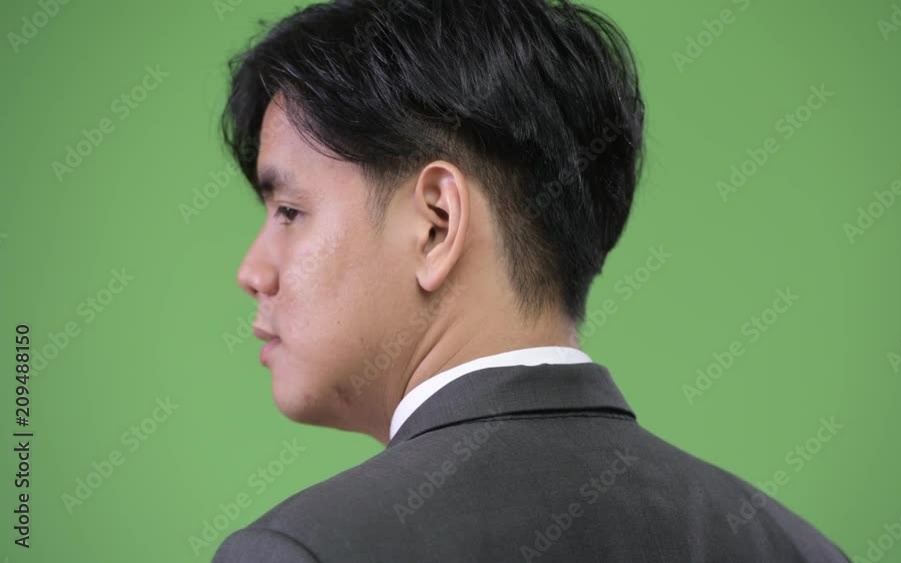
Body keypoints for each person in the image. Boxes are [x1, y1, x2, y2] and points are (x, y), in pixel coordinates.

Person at [215, 0, 849, 560]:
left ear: (436, 224)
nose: (253, 271)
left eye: (289, 211)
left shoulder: (302, 550)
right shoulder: (796, 547)